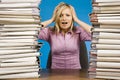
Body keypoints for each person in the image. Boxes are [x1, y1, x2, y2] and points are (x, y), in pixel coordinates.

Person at [38, 2, 92, 69]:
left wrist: (77, 20)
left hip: (75, 74)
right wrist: (51, 19)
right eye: (60, 15)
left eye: (68, 15)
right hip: (55, 74)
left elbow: (94, 33)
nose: (64, 18)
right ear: (57, 18)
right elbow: (32, 31)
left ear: (72, 18)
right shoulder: (50, 32)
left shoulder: (79, 31)